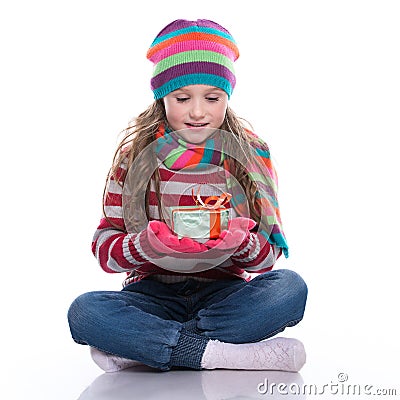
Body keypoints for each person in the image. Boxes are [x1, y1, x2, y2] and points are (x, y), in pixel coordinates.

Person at [67, 18, 308, 373]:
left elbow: (267, 259)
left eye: (213, 98)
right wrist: (146, 246)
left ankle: (149, 346)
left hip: (225, 296)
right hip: (153, 294)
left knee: (289, 289)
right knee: (85, 312)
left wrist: (239, 244)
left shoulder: (250, 155)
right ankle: (223, 355)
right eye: (182, 98)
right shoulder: (135, 158)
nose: (198, 111)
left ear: (228, 95)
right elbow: (105, 249)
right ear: (162, 95)